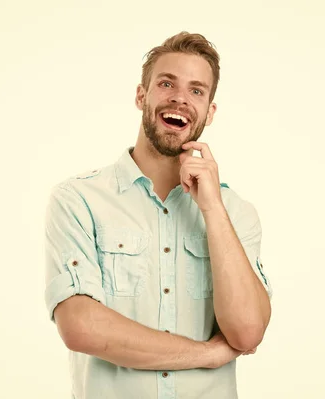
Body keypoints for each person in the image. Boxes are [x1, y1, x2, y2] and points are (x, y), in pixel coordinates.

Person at [44, 31, 273, 399]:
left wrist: (212, 209)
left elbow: (247, 333)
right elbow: (81, 327)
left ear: (210, 112)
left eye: (197, 91)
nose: (180, 98)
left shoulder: (236, 213)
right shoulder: (79, 200)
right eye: (167, 83)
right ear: (141, 96)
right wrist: (207, 354)